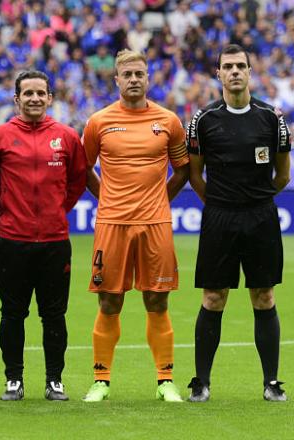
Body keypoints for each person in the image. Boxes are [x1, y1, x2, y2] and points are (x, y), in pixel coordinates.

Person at [81, 49, 190, 403]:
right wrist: (106, 200)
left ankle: (165, 381)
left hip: (156, 222)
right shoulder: (98, 121)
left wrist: (160, 200)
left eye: (139, 74)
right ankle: (101, 380)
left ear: (148, 78)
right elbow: (84, 169)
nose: (133, 80)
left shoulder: (168, 121)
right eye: (126, 74)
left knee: (157, 300)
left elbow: (183, 169)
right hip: (112, 223)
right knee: (109, 301)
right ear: (116, 79)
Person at [186, 44, 291, 402]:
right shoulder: (203, 119)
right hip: (219, 217)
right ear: (218, 73)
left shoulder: (271, 118)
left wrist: (255, 199)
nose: (234, 71)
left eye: (240, 66)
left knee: (263, 295)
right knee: (214, 297)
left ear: (250, 71)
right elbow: (195, 175)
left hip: (261, 216)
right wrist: (220, 203)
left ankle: (271, 382)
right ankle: (201, 382)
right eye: (227, 66)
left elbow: (284, 174)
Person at [0, 70, 86, 401]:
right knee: (12, 314)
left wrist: (56, 210)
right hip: (13, 241)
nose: (35, 98)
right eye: (28, 93)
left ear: (50, 98)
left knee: (54, 314)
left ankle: (54, 380)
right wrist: (2, 212)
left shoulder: (66, 136)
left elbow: (78, 181)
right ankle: (14, 379)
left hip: (54, 241)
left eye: (41, 93)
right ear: (16, 99)